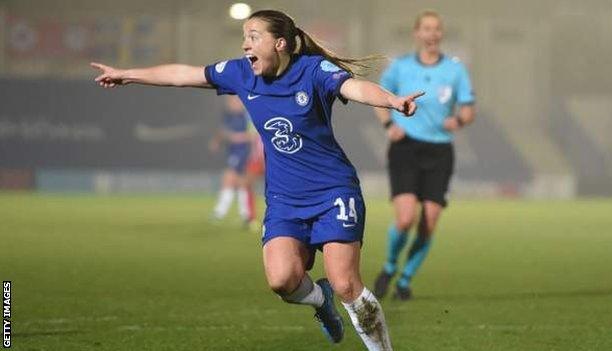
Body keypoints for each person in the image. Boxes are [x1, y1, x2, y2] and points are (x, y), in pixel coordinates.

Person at [91, 9, 424, 350]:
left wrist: (392, 101)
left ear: (279, 43)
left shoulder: (312, 70)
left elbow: (355, 87)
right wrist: (128, 74)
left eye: (253, 36)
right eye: (244, 37)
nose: (245, 44)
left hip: (332, 191)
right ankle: (320, 302)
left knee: (346, 284)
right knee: (282, 280)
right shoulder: (240, 74)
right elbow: (182, 74)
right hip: (283, 199)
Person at [372, 10, 476, 301]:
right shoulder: (401, 67)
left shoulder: (455, 70)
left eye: (436, 29)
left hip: (439, 150)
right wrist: (389, 124)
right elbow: (379, 96)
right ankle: (390, 267)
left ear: (441, 34)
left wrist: (460, 120)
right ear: (417, 34)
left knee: (429, 222)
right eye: (426, 29)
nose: (431, 34)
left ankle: (405, 281)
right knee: (405, 219)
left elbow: (468, 107)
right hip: (405, 148)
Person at [210, 95, 254, 224]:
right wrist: (217, 141)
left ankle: (220, 212)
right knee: (240, 181)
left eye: (233, 101)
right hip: (233, 151)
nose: (230, 103)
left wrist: (237, 137)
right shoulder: (229, 116)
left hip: (243, 151)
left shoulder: (247, 116)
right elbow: (223, 131)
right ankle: (245, 214)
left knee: (229, 177)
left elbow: (254, 135)